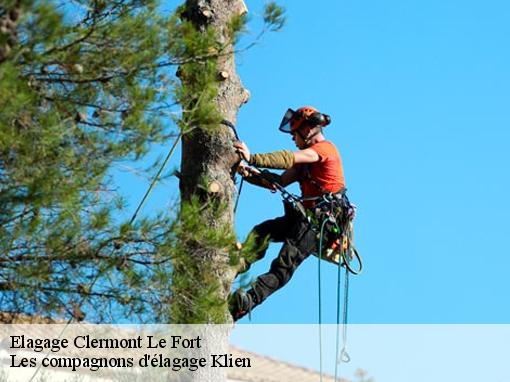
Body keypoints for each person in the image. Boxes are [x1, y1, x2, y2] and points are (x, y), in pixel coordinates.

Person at [230, 106, 346, 321]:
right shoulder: (306, 163)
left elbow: (287, 158)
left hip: (320, 223)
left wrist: (253, 157)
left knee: (285, 263)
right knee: (263, 231)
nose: (293, 138)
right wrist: (249, 174)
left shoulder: (324, 149)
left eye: (295, 133)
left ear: (309, 130)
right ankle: (238, 263)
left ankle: (248, 302)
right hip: (306, 218)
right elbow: (279, 181)